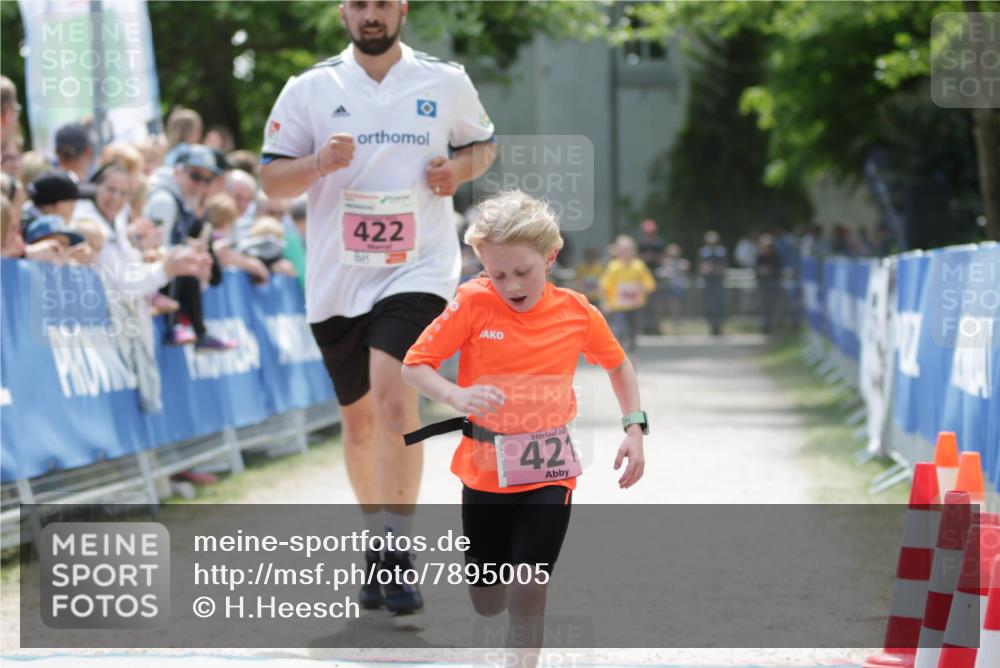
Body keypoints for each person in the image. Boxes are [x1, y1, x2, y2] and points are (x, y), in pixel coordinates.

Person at [259, 0, 496, 614]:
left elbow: (483, 148)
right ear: (344, 13)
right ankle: (376, 542)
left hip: (419, 268)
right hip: (338, 279)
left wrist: (456, 170)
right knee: (360, 422)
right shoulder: (310, 88)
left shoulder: (444, 80)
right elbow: (272, 181)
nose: (372, 14)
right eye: (361, 4)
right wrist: (317, 164)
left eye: (383, 4)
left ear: (401, 11)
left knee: (395, 396)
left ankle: (397, 550)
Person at [400, 190, 646, 668]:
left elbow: (618, 365)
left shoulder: (576, 311)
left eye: (522, 271)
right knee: (487, 600)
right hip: (484, 469)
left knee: (530, 582)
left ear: (550, 257)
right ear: (482, 266)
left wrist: (634, 428)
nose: (511, 285)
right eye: (498, 274)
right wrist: (456, 396)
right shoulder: (472, 302)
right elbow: (415, 365)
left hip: (550, 468)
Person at [144, 144, 233, 351]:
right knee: (185, 263)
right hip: (147, 277)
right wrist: (187, 253)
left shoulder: (182, 201)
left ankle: (192, 329)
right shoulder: (164, 200)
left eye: (207, 180)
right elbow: (153, 247)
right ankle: (177, 326)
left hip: (158, 273)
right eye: (195, 176)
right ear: (178, 171)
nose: (200, 184)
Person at [600, 235, 656, 353]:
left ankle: (631, 355)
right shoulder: (613, 267)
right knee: (620, 331)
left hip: (636, 306)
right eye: (623, 250)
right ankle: (620, 356)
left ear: (634, 251)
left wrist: (642, 289)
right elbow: (605, 286)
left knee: (634, 333)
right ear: (618, 251)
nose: (626, 253)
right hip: (618, 307)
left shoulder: (639, 266)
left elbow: (650, 285)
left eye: (629, 250)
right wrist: (605, 303)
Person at [637, 219, 666, 334]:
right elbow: (636, 258)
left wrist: (654, 258)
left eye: (651, 233)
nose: (649, 235)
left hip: (656, 274)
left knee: (657, 302)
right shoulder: (641, 243)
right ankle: (644, 327)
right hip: (642, 275)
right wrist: (645, 258)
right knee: (642, 302)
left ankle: (657, 327)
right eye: (647, 233)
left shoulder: (659, 243)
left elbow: (663, 258)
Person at [754, 233, 783, 335]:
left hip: (773, 286)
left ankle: (772, 325)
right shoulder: (760, 257)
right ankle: (765, 326)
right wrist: (762, 272)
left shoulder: (776, 257)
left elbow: (778, 271)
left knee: (773, 307)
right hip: (763, 286)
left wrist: (770, 272)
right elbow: (757, 271)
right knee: (764, 307)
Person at [658, 243, 689, 334]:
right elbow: (663, 273)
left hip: (677, 287)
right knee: (666, 306)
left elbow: (685, 269)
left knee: (677, 306)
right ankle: (666, 324)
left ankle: (677, 323)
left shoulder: (682, 263)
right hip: (667, 287)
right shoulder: (666, 262)